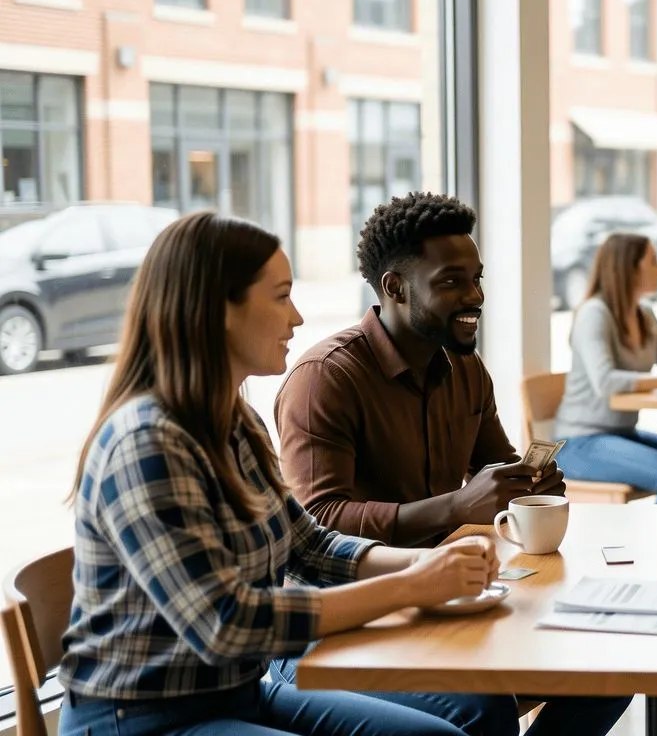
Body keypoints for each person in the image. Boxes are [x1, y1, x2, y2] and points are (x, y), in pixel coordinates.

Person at [58, 212, 488, 736]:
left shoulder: (237, 423)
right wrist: (410, 587)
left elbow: (308, 545)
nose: (297, 318)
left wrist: (428, 562)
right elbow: (226, 625)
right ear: (219, 310)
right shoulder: (146, 442)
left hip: (237, 695)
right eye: (282, 296)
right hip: (141, 720)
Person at [271, 192, 628, 736]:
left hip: (446, 599)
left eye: (477, 279)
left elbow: (497, 468)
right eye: (451, 281)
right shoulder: (326, 378)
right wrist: (457, 506)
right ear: (395, 288)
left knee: (609, 664)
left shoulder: (466, 370)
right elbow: (319, 521)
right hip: (336, 624)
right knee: (482, 710)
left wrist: (528, 487)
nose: (474, 296)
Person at [553, 233, 657, 504]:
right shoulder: (594, 313)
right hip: (578, 443)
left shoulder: (644, 314)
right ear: (629, 269)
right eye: (653, 260)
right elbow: (606, 381)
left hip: (622, 434)